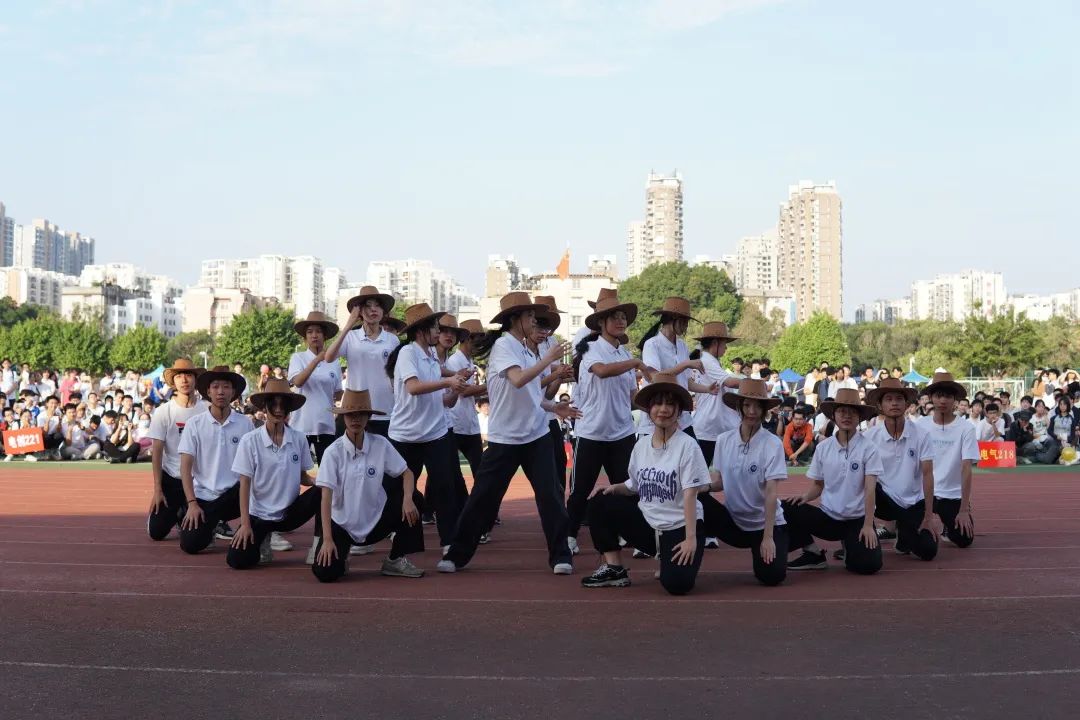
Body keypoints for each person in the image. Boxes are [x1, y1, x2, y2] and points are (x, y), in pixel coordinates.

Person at [438, 292, 578, 575]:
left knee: (551, 496)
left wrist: (554, 406)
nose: (534, 321)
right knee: (482, 498)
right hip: (505, 438)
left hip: (536, 434)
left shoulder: (528, 351)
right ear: (515, 319)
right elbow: (518, 380)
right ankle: (456, 555)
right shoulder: (504, 346)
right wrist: (549, 359)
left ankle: (561, 556)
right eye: (530, 316)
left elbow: (532, 393)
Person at [580, 372, 711, 594]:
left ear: (679, 411)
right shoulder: (641, 446)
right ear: (649, 410)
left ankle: (671, 559)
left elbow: (690, 494)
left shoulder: (688, 446)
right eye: (657, 403)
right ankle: (614, 569)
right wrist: (614, 489)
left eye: (670, 404)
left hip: (678, 527)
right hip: (648, 525)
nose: (663, 409)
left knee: (677, 586)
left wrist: (691, 539)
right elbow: (634, 486)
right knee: (600, 500)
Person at [567, 293, 652, 555]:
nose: (620, 321)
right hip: (591, 433)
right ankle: (568, 537)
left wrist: (657, 407)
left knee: (629, 489)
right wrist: (636, 362)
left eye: (623, 317)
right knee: (580, 490)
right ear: (601, 322)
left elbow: (632, 397)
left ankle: (636, 538)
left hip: (622, 433)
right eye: (614, 317)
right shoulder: (591, 349)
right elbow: (602, 371)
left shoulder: (623, 352)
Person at [311, 390, 426, 581]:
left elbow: (407, 473)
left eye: (361, 414)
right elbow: (325, 498)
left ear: (368, 417)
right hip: (342, 524)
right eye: (350, 415)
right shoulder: (333, 452)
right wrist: (328, 539)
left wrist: (407, 499)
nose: (355, 420)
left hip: (376, 520)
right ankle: (342, 555)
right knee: (325, 574)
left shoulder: (380, 444)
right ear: (343, 417)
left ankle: (395, 559)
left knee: (416, 499)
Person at [385, 303, 469, 550]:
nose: (439, 332)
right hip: (406, 435)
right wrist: (448, 381)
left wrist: (456, 388)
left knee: (445, 488)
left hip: (435, 433)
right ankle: (402, 541)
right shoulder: (407, 353)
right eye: (435, 327)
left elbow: (445, 401)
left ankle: (449, 543)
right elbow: (413, 387)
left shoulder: (432, 357)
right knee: (402, 491)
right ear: (421, 330)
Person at [697, 379, 789, 586]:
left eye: (757, 406)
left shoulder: (772, 443)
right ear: (739, 407)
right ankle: (685, 561)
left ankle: (778, 541)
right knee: (695, 499)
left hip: (764, 524)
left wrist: (768, 537)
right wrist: (702, 488)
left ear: (764, 410)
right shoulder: (723, 440)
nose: (752, 411)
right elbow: (720, 483)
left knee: (772, 577)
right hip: (733, 522)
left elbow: (771, 493)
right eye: (746, 405)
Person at [782, 389, 884, 574]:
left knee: (869, 565)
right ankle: (813, 553)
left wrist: (869, 525)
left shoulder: (869, 448)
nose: (847, 416)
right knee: (784, 507)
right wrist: (805, 497)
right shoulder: (823, 447)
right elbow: (818, 485)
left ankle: (850, 547)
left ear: (859, 417)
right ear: (833, 416)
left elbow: (870, 489)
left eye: (852, 412)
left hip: (857, 519)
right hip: (828, 516)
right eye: (842, 411)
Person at [226, 378, 318, 568]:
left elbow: (303, 477)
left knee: (325, 490)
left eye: (283, 405)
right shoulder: (249, 440)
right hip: (258, 514)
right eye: (273, 404)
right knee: (237, 560)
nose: (278, 410)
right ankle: (263, 539)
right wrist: (245, 524)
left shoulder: (299, 438)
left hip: (289, 512)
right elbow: (244, 485)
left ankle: (319, 546)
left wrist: (320, 482)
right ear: (264, 407)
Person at [177, 366, 254, 554]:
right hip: (204, 496)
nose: (221, 392)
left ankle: (264, 532)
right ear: (208, 391)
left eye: (226, 387)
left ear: (233, 392)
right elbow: (185, 468)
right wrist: (192, 503)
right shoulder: (195, 424)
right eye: (216, 387)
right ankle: (206, 522)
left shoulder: (245, 424)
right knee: (190, 544)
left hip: (237, 495)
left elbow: (255, 465)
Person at [864, 378, 938, 561]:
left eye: (899, 399)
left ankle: (903, 534)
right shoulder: (869, 437)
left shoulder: (921, 435)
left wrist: (928, 517)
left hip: (913, 502)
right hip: (883, 499)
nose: (894, 403)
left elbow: (928, 474)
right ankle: (858, 535)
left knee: (928, 550)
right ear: (880, 405)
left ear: (906, 404)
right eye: (888, 399)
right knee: (862, 481)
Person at [636, 297, 719, 438]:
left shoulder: (682, 346)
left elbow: (686, 382)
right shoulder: (652, 344)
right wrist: (685, 364)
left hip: (682, 417)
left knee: (691, 449)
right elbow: (653, 377)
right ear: (673, 319)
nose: (686, 326)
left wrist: (707, 389)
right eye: (684, 322)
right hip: (657, 416)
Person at [325, 286, 399, 438]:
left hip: (386, 410)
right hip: (355, 410)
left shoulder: (392, 340)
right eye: (368, 306)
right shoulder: (351, 337)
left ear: (383, 311)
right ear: (359, 311)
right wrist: (348, 325)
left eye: (377, 305)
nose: (373, 309)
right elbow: (329, 357)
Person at [146, 359, 208, 541]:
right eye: (179, 376)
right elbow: (157, 453)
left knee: (197, 536)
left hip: (200, 482)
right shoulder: (163, 411)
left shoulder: (207, 410)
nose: (184, 380)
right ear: (173, 381)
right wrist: (157, 489)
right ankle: (179, 511)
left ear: (196, 379)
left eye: (188, 375)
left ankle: (208, 518)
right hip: (172, 479)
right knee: (156, 532)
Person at [919, 372, 978, 549]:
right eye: (938, 396)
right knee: (918, 542)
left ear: (955, 400)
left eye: (948, 396)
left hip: (951, 495)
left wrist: (964, 509)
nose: (943, 400)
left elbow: (966, 468)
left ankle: (948, 526)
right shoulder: (920, 425)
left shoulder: (966, 428)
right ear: (931, 398)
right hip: (922, 493)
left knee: (963, 539)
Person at [288, 311, 342, 465]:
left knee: (327, 471)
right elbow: (298, 382)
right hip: (301, 425)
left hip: (326, 425)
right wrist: (317, 359)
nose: (314, 335)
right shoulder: (298, 358)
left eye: (318, 331)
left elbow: (338, 393)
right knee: (296, 470)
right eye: (310, 332)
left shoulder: (334, 362)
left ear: (325, 336)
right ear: (305, 337)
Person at [690, 322, 743, 465]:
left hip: (712, 425)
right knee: (704, 471)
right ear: (715, 343)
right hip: (711, 425)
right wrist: (754, 384)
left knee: (709, 470)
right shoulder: (708, 361)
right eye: (724, 343)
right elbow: (730, 382)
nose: (726, 347)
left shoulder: (709, 361)